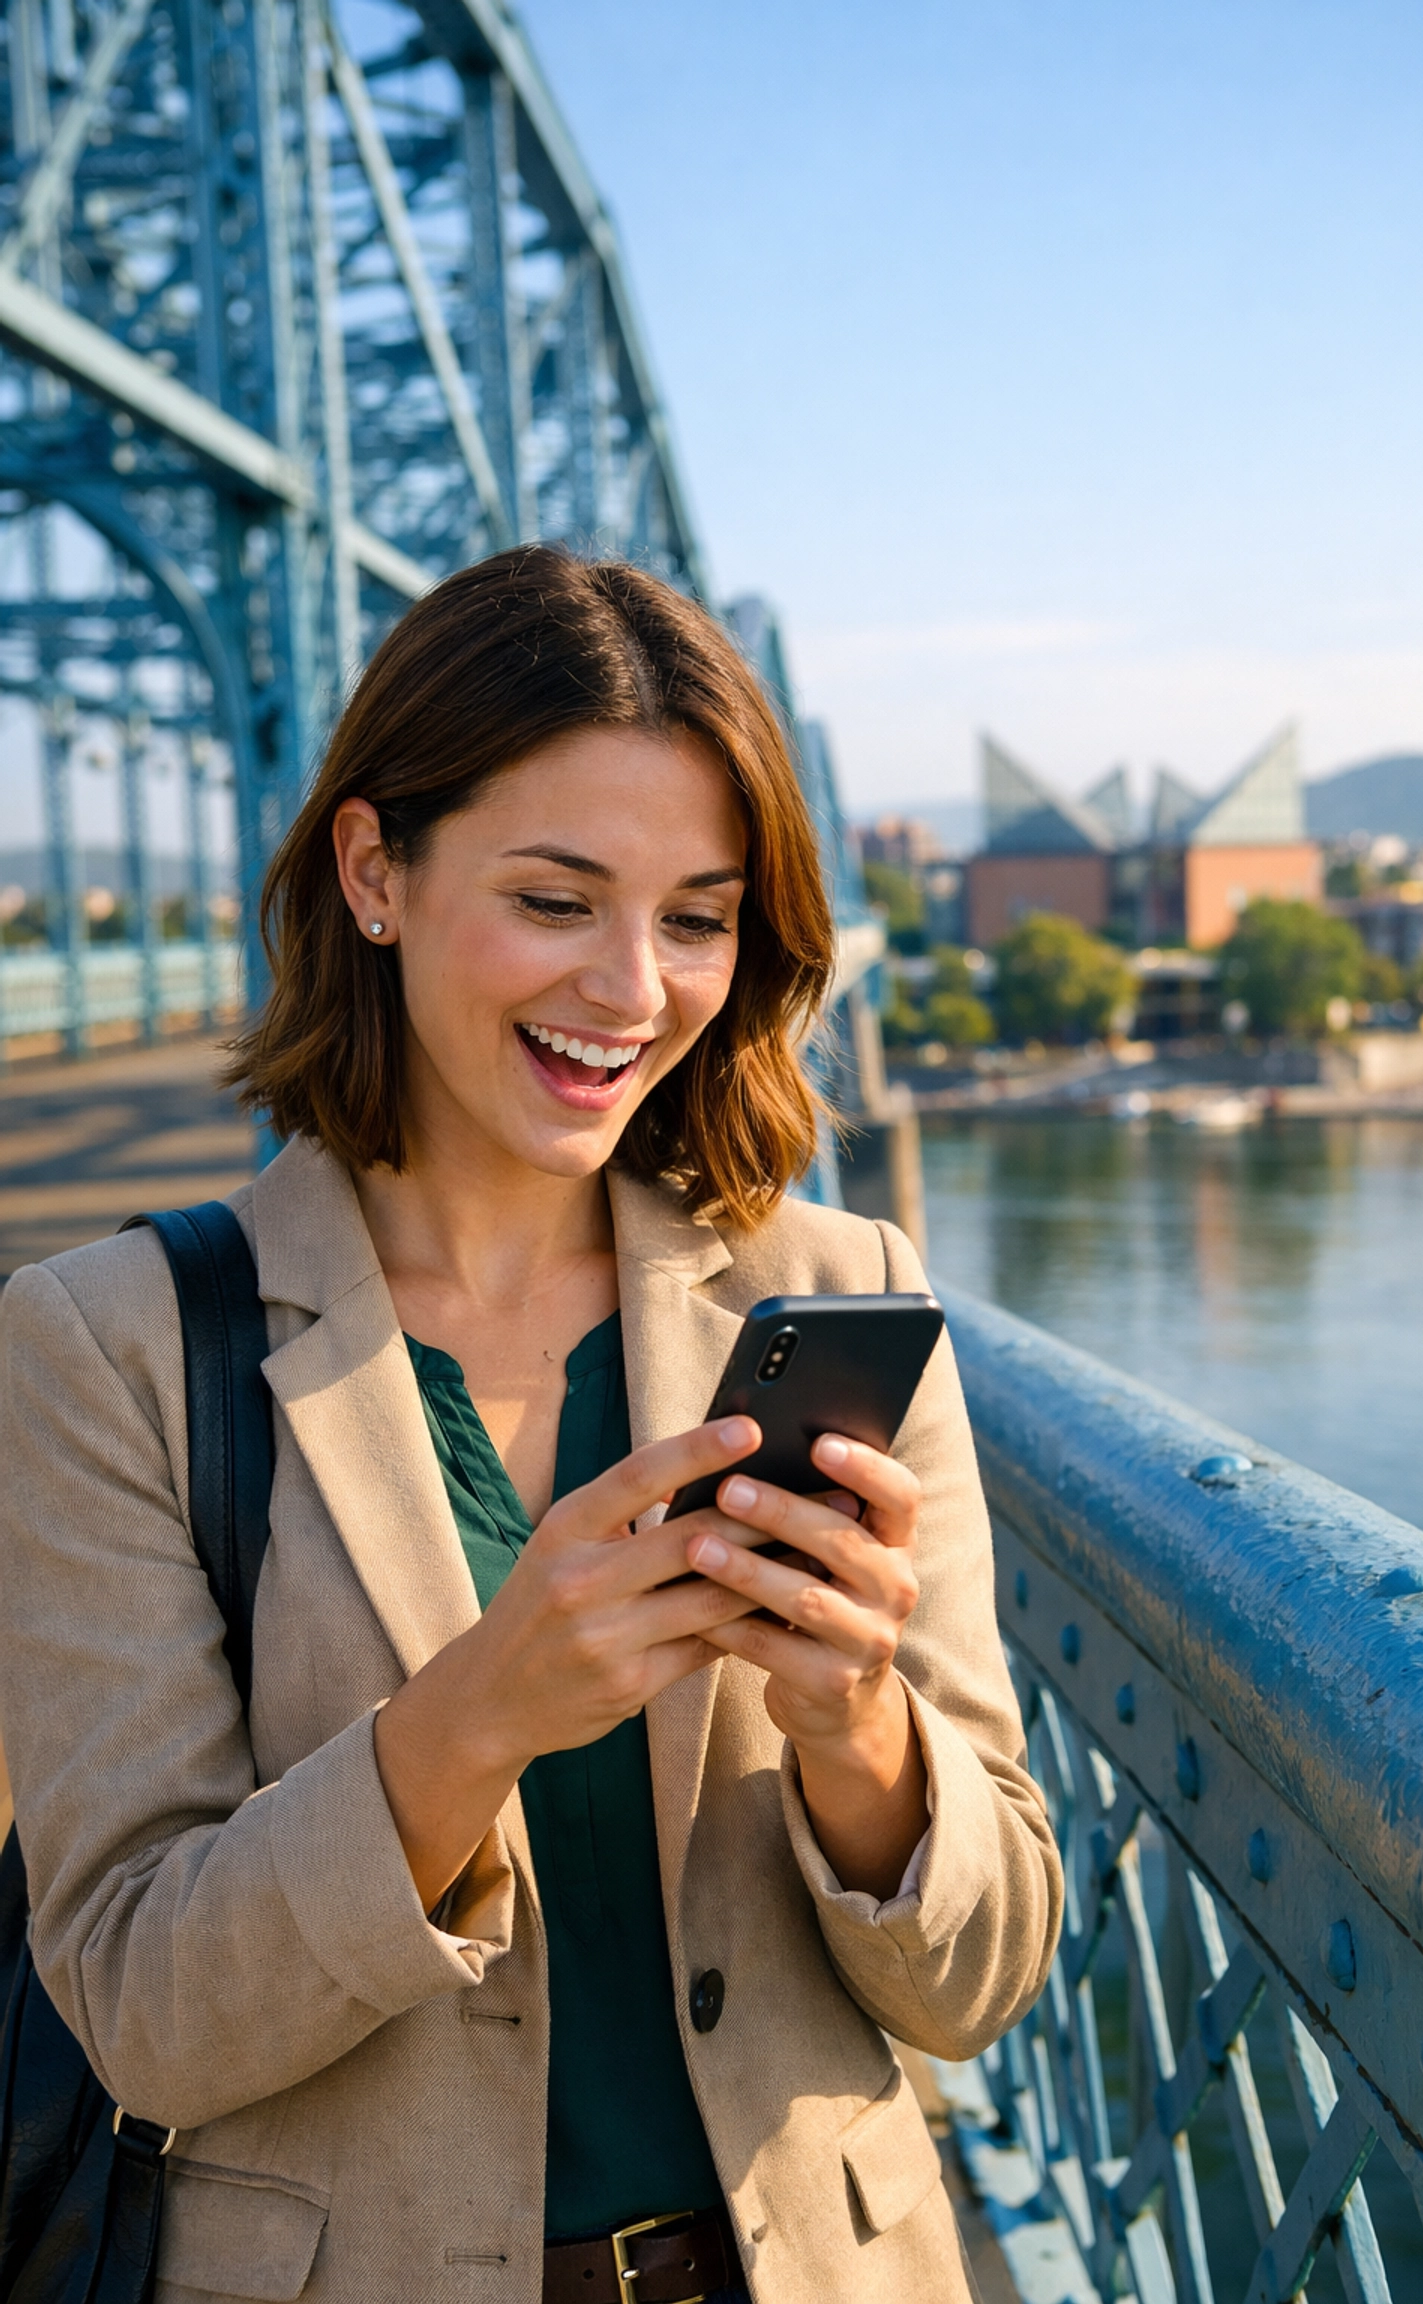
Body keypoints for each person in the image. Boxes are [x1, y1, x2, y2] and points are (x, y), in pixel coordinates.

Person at [0, 547, 1062, 2304]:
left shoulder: (844, 1287)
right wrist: (473, 1722)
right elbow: (142, 2019)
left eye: (699, 916)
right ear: (374, 872)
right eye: (558, 901)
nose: (635, 990)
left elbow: (984, 1980)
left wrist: (859, 1727)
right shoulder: (102, 1350)